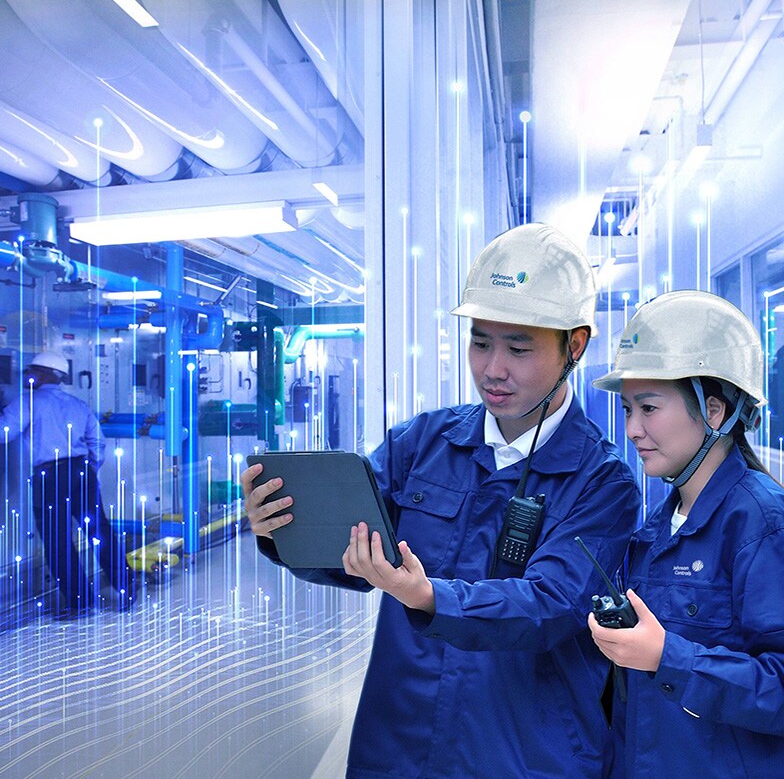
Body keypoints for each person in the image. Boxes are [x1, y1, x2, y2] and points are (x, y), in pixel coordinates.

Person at [242, 223, 640, 778]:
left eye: (518, 348)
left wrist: (429, 597)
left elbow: (550, 605)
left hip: (521, 755)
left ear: (575, 346)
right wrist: (280, 529)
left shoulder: (603, 484)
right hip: (398, 743)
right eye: (480, 342)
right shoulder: (421, 444)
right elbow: (356, 554)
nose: (492, 369)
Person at [589, 290, 784, 778]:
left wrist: (667, 658)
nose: (632, 428)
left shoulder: (760, 522)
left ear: (714, 412)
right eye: (627, 408)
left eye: (649, 408)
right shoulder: (658, 528)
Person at [0, 351, 133, 614]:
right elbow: (98, 441)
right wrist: (89, 467)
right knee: (99, 531)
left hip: (50, 476)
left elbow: (4, 432)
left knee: (57, 540)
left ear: (47, 374)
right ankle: (127, 589)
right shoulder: (76, 404)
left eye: (33, 370)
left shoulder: (28, 402)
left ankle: (79, 602)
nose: (28, 375)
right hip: (82, 471)